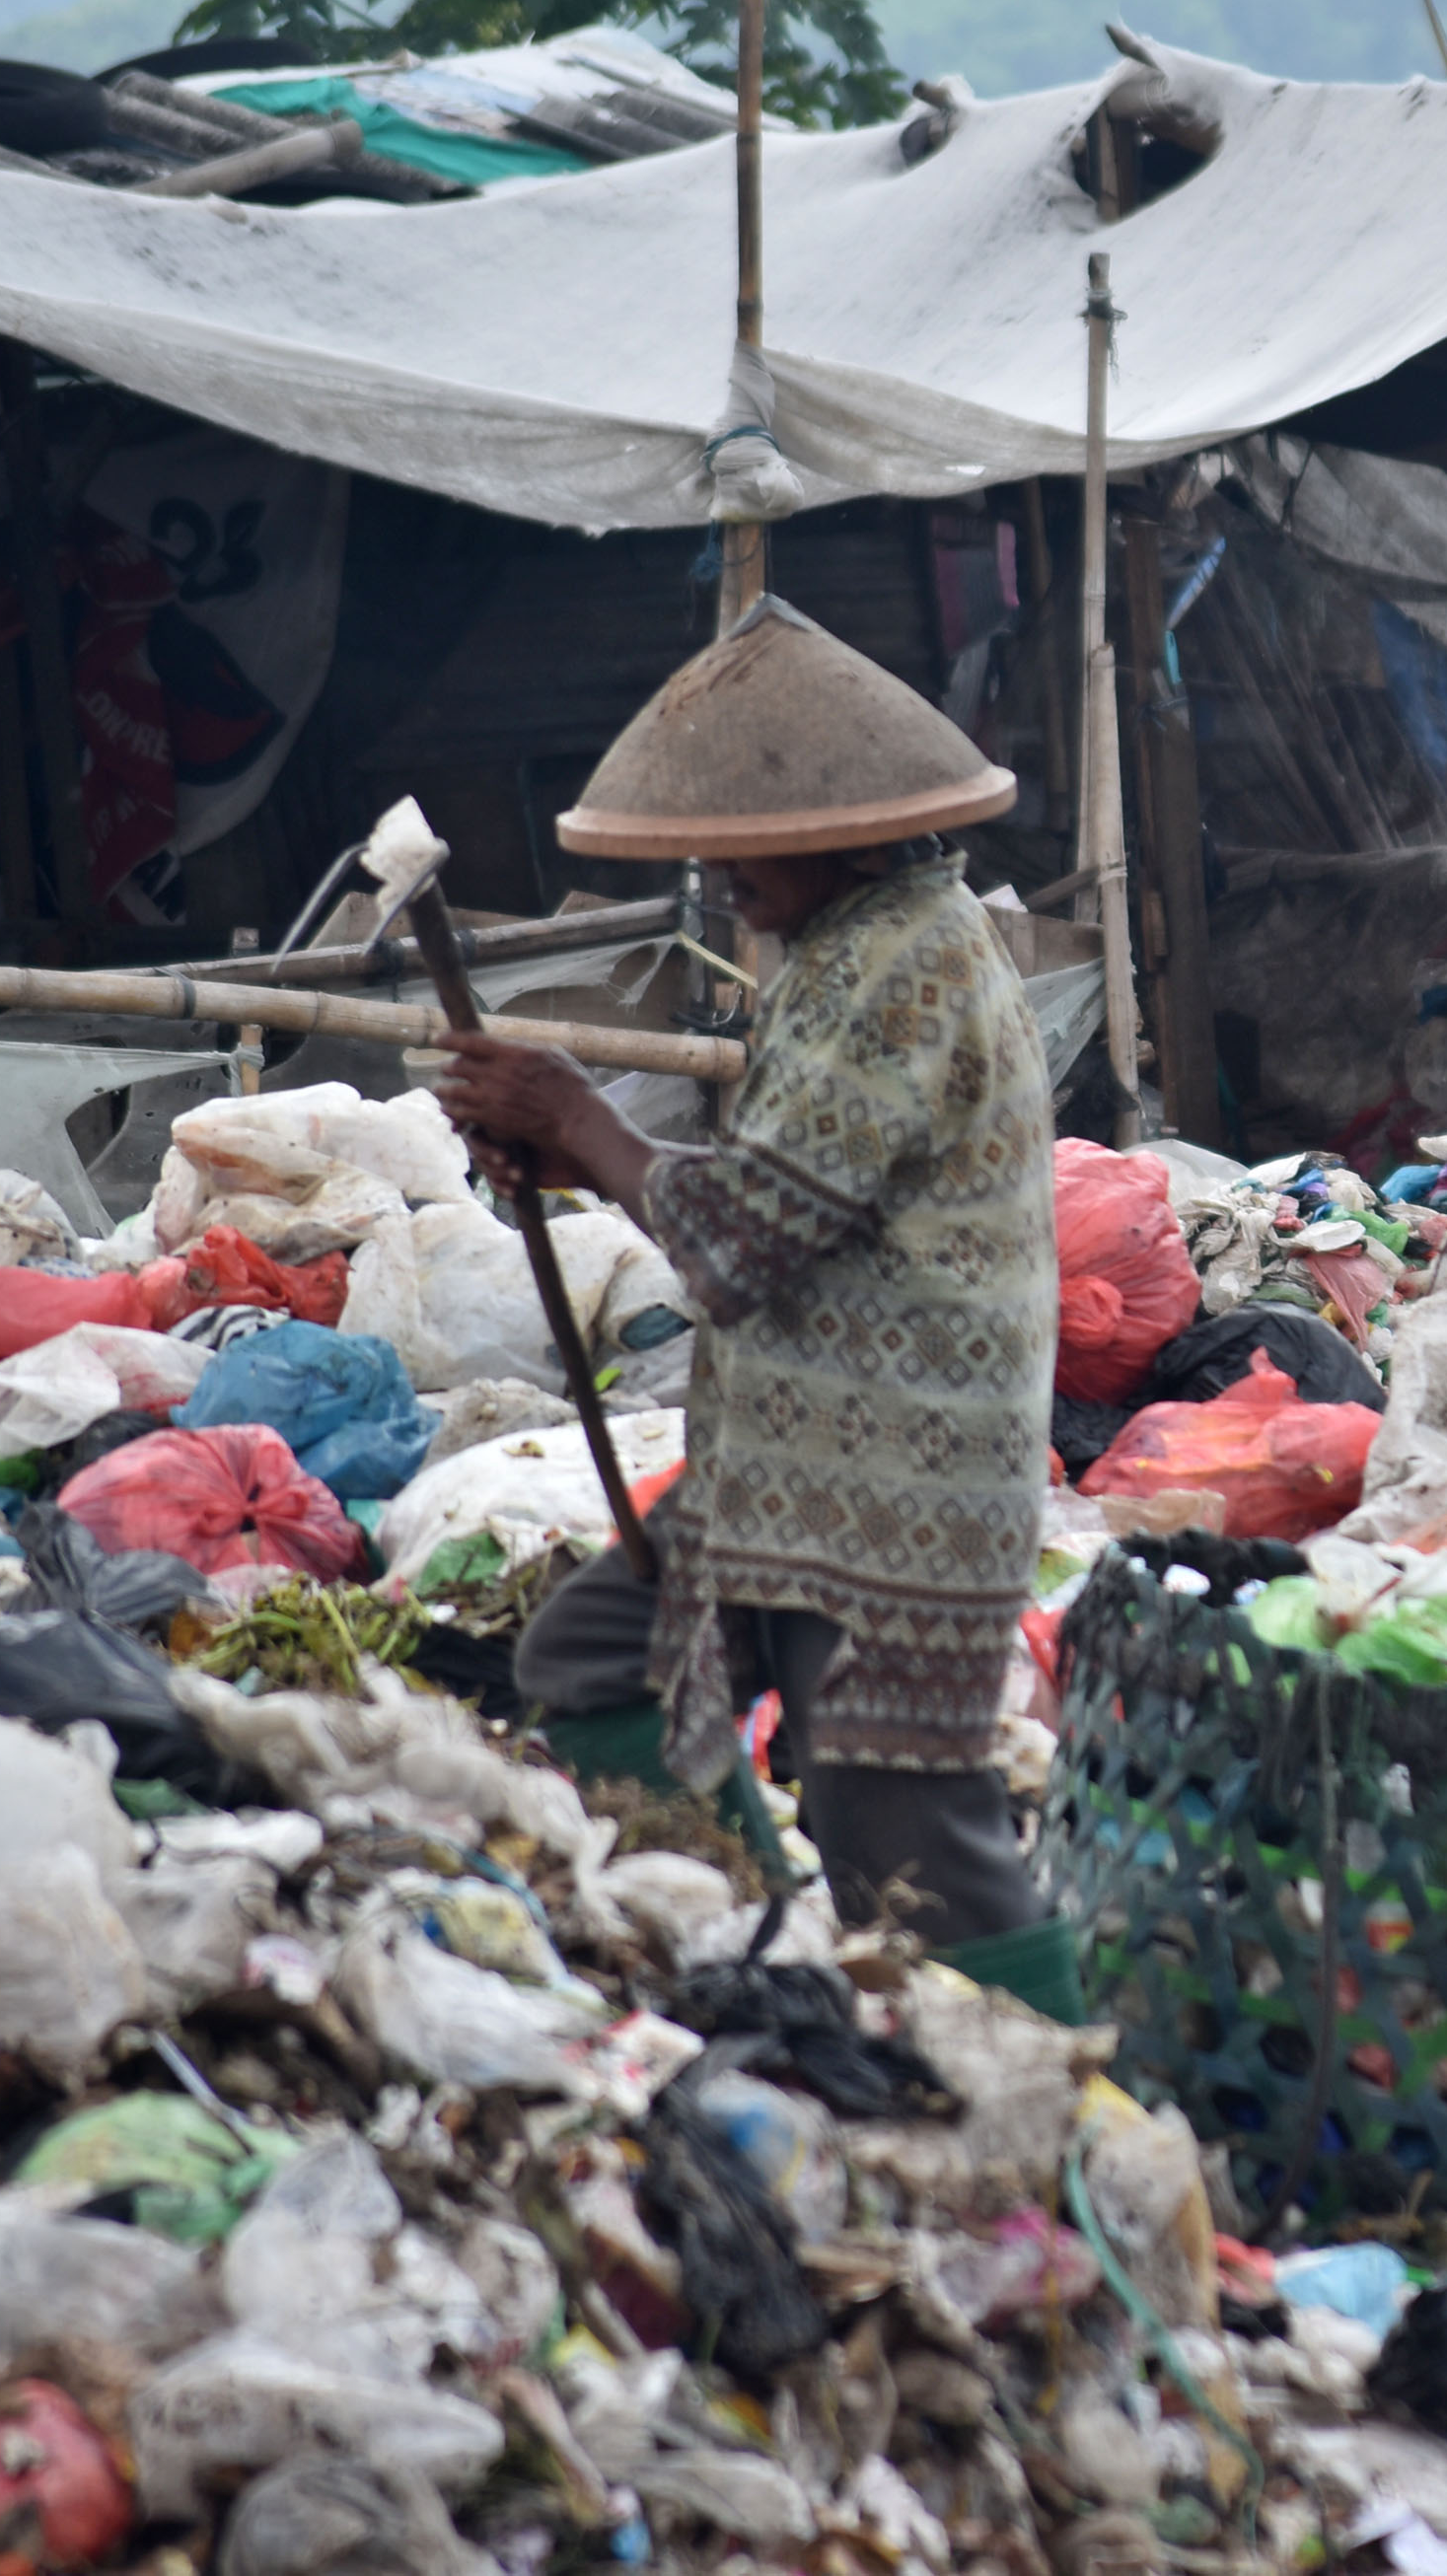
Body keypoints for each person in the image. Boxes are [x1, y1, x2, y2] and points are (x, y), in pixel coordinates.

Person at [433, 825, 1077, 2020]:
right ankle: (756, 1951)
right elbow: (802, 1187)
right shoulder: (861, 944)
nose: (724, 864)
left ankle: (1066, 2090)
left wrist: (579, 1118)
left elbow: (746, 1233)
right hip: (794, 1465)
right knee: (593, 1658)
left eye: (756, 838)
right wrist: (574, 1154)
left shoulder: (895, 966)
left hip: (891, 1480)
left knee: (903, 1827)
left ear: (849, 833)